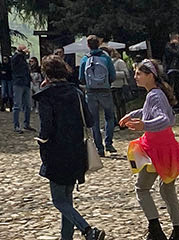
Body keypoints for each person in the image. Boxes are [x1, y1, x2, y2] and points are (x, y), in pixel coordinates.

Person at [35, 54, 107, 240]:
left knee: (58, 200)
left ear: (46, 74)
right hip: (76, 150)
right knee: (67, 199)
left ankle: (88, 230)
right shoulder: (76, 93)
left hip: (56, 152)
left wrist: (40, 141)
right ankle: (66, 237)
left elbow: (46, 128)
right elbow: (89, 120)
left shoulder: (46, 96)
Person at [120, 59, 179, 240]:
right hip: (166, 147)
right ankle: (178, 231)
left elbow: (163, 119)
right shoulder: (155, 93)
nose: (135, 77)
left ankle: (156, 230)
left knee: (141, 189)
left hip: (156, 150)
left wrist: (144, 124)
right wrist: (133, 114)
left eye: (138, 73)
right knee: (167, 191)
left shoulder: (155, 95)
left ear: (150, 76)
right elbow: (152, 111)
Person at [79, 36, 117, 156]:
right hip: (105, 90)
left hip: (91, 92)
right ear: (99, 44)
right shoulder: (106, 58)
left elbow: (81, 78)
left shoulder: (85, 59)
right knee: (109, 117)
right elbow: (113, 75)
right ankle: (109, 143)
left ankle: (99, 148)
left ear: (88, 45)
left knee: (94, 121)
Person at [11, 44, 33, 132]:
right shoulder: (15, 57)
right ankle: (16, 125)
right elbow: (14, 61)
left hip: (26, 83)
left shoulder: (23, 58)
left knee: (28, 105)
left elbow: (28, 57)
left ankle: (26, 124)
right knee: (17, 105)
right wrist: (20, 52)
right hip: (18, 83)